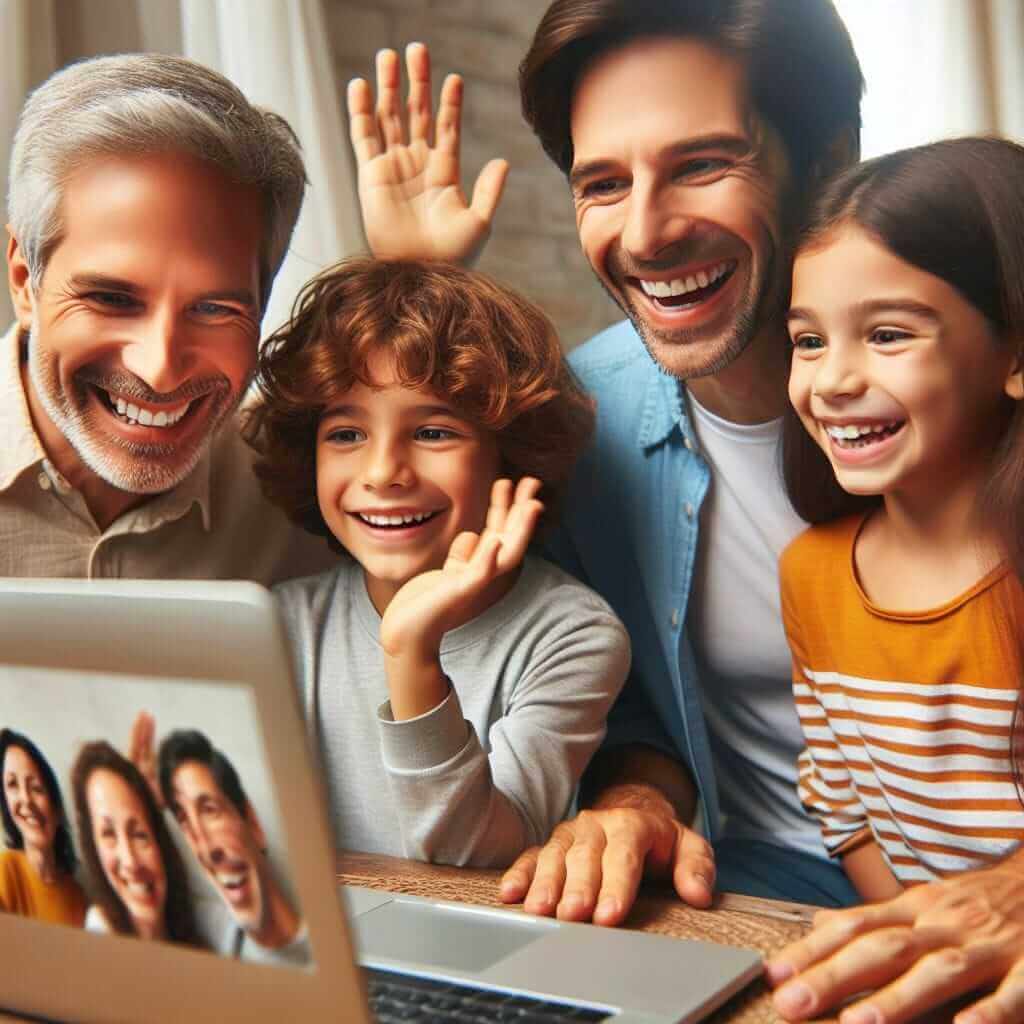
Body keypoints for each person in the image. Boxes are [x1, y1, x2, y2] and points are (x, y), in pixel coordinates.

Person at [346, 0, 862, 912]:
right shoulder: (582, 423)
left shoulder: (977, 378)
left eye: (702, 165)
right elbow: (637, 715)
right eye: (604, 184)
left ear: (827, 160)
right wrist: (635, 803)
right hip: (748, 891)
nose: (646, 234)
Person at [247, 257, 630, 867]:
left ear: (511, 455)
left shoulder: (571, 635)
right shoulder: (276, 624)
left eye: (432, 433)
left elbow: (473, 860)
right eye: (346, 435)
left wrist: (410, 653)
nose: (382, 474)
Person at [764, 136, 1024, 1023]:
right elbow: (847, 807)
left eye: (886, 334)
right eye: (806, 340)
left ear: (1014, 352)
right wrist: (921, 949)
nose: (832, 379)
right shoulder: (811, 573)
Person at [1, 52, 329, 583]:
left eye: (213, 308)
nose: (159, 370)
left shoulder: (308, 488)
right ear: (24, 279)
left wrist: (419, 279)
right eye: (112, 299)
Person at [157, 729, 308, 965]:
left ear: (253, 823)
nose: (206, 849)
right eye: (184, 820)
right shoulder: (214, 931)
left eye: (210, 810)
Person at [72, 741, 200, 945]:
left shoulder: (207, 931)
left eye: (139, 834)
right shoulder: (97, 936)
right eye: (108, 834)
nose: (130, 861)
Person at [0, 728, 85, 925]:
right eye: (12, 785)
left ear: (57, 808)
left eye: (36, 787)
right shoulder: (4, 873)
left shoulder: (79, 899)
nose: (26, 800)